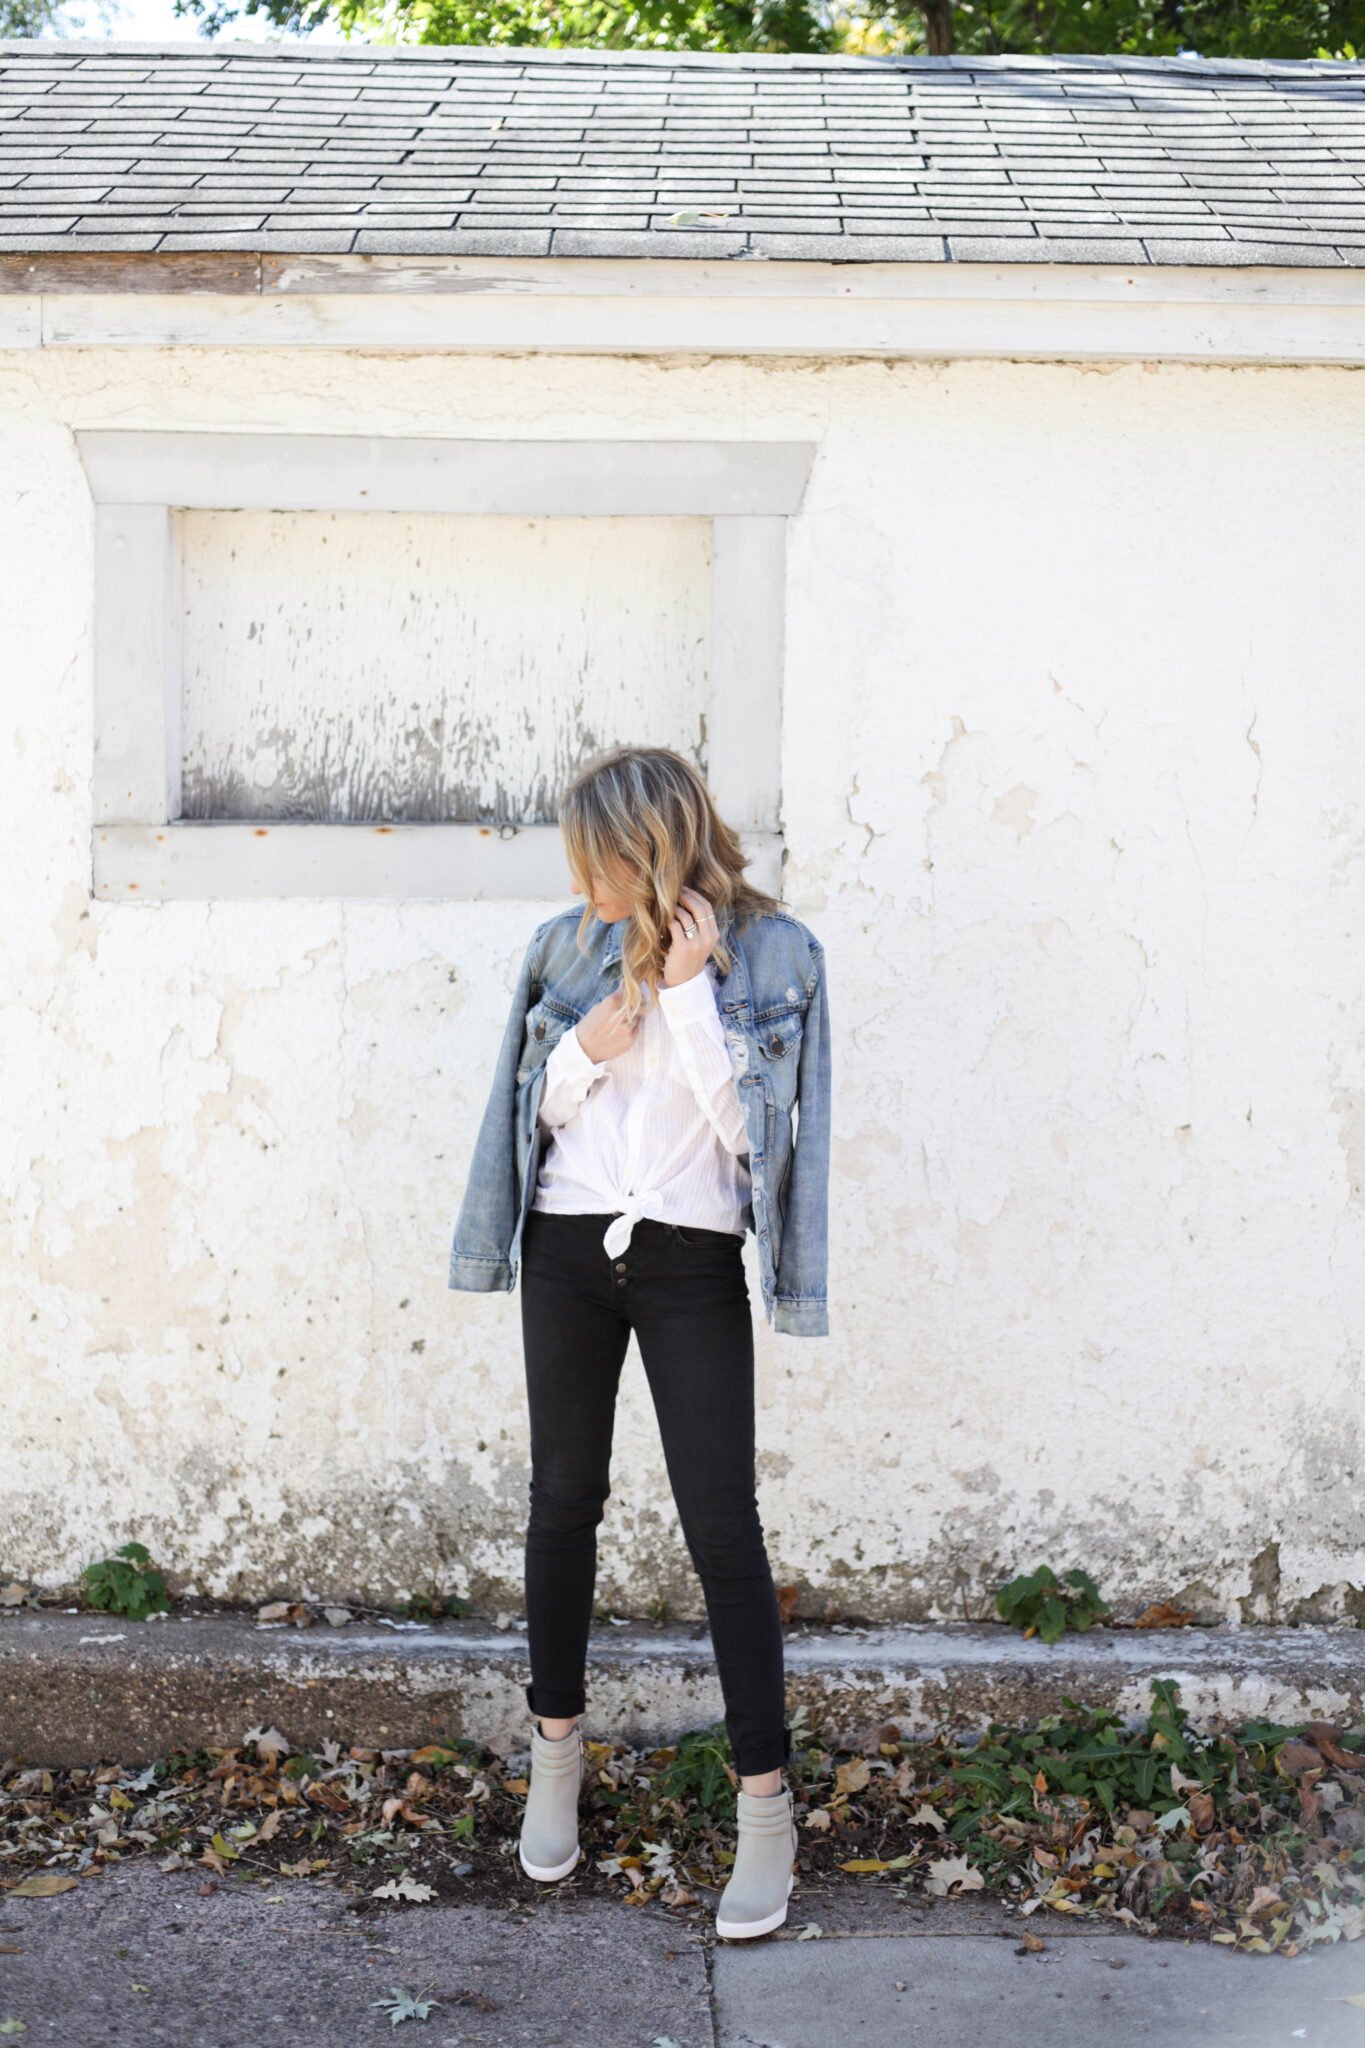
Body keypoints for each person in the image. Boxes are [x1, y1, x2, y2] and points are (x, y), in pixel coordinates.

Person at [448, 743, 832, 1940]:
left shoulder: (777, 954)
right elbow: (531, 1112)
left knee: (724, 1526)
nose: (579, 876)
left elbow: (754, 1142)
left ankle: (765, 1811)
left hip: (687, 1264)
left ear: (647, 845)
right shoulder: (563, 945)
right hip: (566, 1253)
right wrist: (585, 1047)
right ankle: (556, 1753)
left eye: (594, 855)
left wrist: (685, 996)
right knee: (563, 1498)